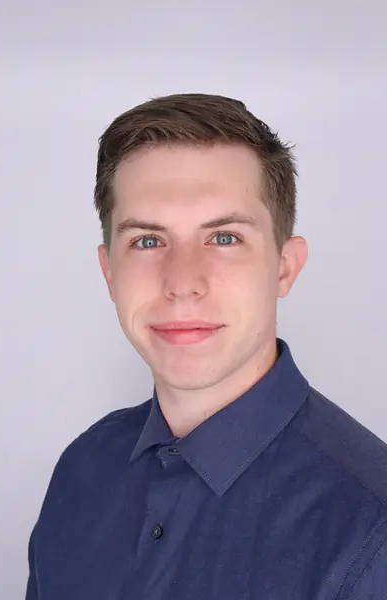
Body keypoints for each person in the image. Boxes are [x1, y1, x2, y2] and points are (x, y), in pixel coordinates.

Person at [25, 93, 387, 599]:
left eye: (224, 238)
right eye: (147, 241)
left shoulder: (372, 528)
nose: (182, 282)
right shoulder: (81, 470)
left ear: (284, 267)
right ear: (109, 273)